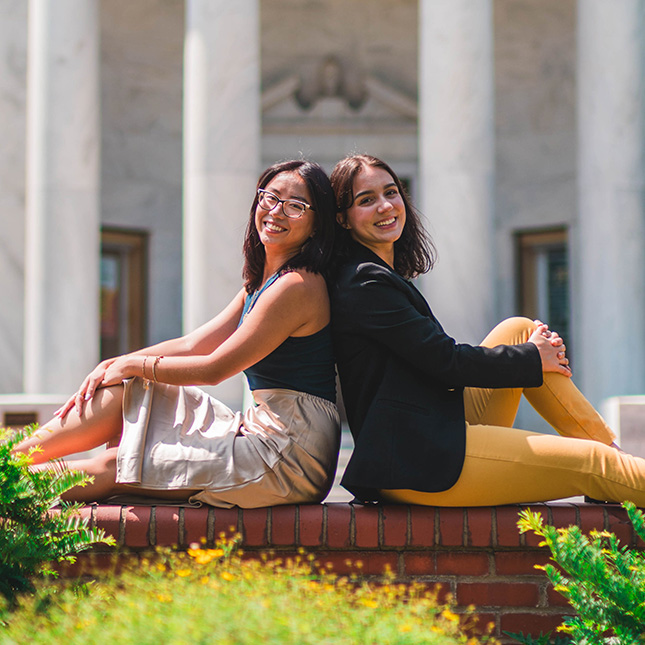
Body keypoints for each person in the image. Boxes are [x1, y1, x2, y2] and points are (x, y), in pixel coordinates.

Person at [14, 160, 341, 508]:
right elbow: (193, 345)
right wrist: (119, 363)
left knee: (118, 465)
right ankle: (12, 460)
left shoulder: (298, 285)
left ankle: (10, 484)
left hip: (289, 455)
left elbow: (214, 368)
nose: (276, 211)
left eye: (295, 206)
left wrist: (134, 365)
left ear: (315, 225)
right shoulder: (262, 282)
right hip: (260, 430)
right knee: (127, 391)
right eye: (270, 198)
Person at [329, 153, 645, 506]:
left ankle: (615, 455)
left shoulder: (376, 274)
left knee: (520, 329)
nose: (385, 206)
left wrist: (530, 354)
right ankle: (617, 467)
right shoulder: (363, 282)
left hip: (435, 429)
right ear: (342, 219)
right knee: (593, 464)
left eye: (391, 192)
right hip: (419, 459)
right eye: (366, 200)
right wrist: (532, 358)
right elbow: (443, 359)